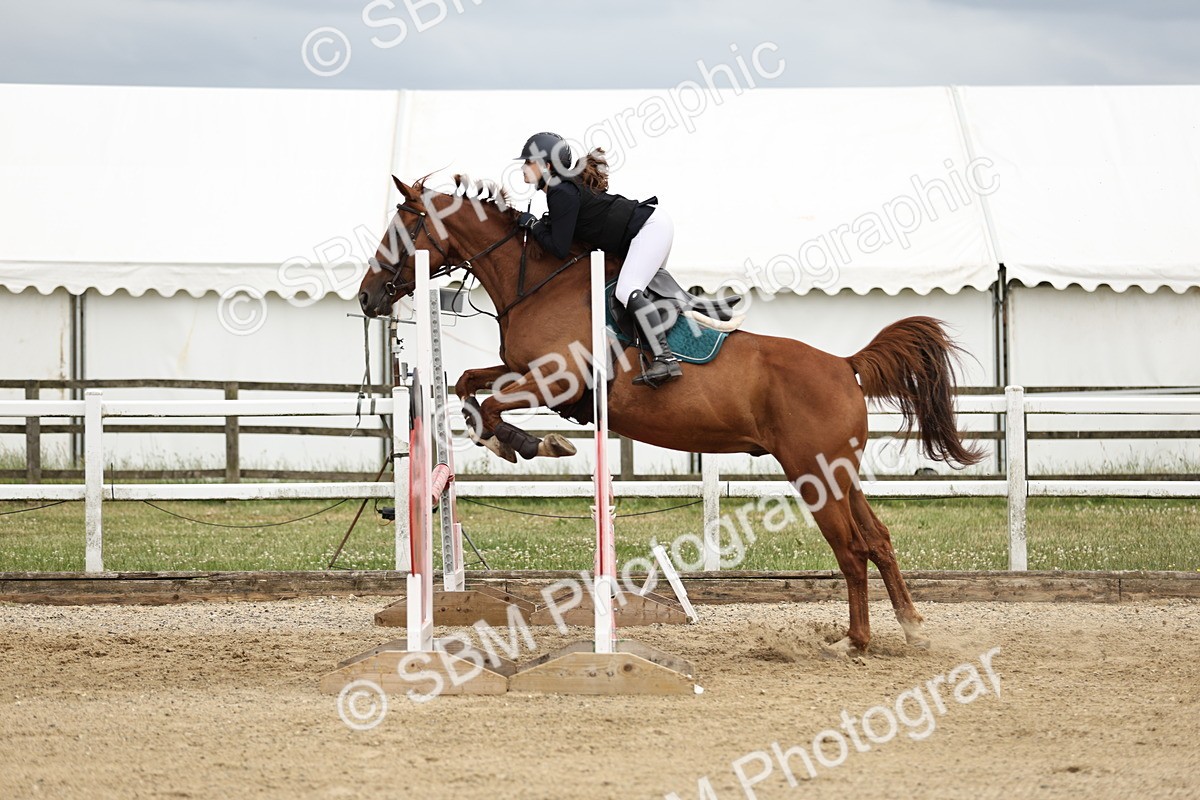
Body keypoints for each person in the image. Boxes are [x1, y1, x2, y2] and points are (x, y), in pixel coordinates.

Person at [514, 131, 682, 388]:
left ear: (546, 165)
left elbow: (559, 248)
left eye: (528, 162)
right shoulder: (560, 189)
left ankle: (665, 359)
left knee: (627, 290)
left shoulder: (560, 191)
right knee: (634, 292)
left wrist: (534, 225)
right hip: (651, 227)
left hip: (650, 229)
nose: (523, 168)